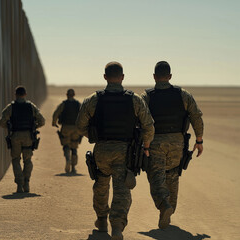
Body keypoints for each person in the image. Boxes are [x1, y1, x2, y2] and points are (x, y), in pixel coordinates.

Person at [76, 62, 154, 240]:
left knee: (101, 185)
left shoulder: (93, 99)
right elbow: (149, 126)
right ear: (123, 77)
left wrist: (94, 136)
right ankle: (117, 226)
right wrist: (146, 146)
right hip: (125, 151)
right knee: (122, 189)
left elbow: (80, 126)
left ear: (105, 77)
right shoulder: (135, 99)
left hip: (102, 150)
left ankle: (102, 219)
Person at [141, 61, 204, 229]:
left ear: (154, 77)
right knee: (172, 174)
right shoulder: (183, 95)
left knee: (156, 177)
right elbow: (196, 116)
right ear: (170, 76)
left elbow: (140, 120)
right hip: (177, 141)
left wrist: (143, 143)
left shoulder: (146, 97)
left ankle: (164, 205)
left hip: (155, 142)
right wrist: (199, 140)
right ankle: (170, 209)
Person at [0, 86, 45, 193]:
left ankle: (20, 184)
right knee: (27, 160)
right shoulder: (31, 106)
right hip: (28, 136)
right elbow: (42, 121)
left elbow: (1, 123)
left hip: (15, 136)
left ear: (15, 94)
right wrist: (33, 127)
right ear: (25, 94)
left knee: (16, 160)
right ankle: (26, 182)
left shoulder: (11, 107)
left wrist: (10, 127)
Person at [52, 89, 82, 173]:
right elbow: (83, 114)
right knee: (74, 147)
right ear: (74, 95)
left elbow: (56, 114)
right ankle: (73, 167)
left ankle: (68, 159)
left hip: (65, 127)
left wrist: (54, 123)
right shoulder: (78, 104)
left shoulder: (63, 104)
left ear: (67, 95)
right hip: (76, 128)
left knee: (66, 145)